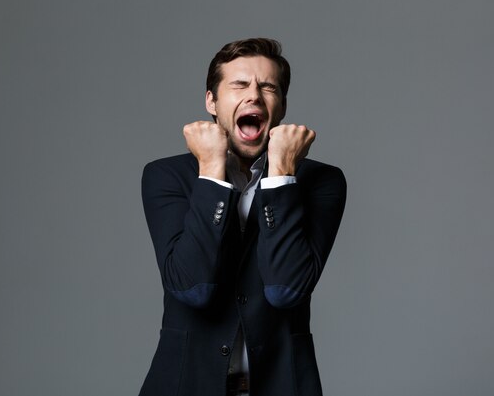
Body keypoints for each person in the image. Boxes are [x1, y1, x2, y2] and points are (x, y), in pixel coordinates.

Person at [139, 38, 346, 396]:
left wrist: (281, 173)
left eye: (268, 87)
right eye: (239, 85)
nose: (254, 95)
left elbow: (286, 290)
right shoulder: (165, 176)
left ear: (280, 106)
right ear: (212, 102)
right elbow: (193, 287)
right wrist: (210, 173)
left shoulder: (321, 182)